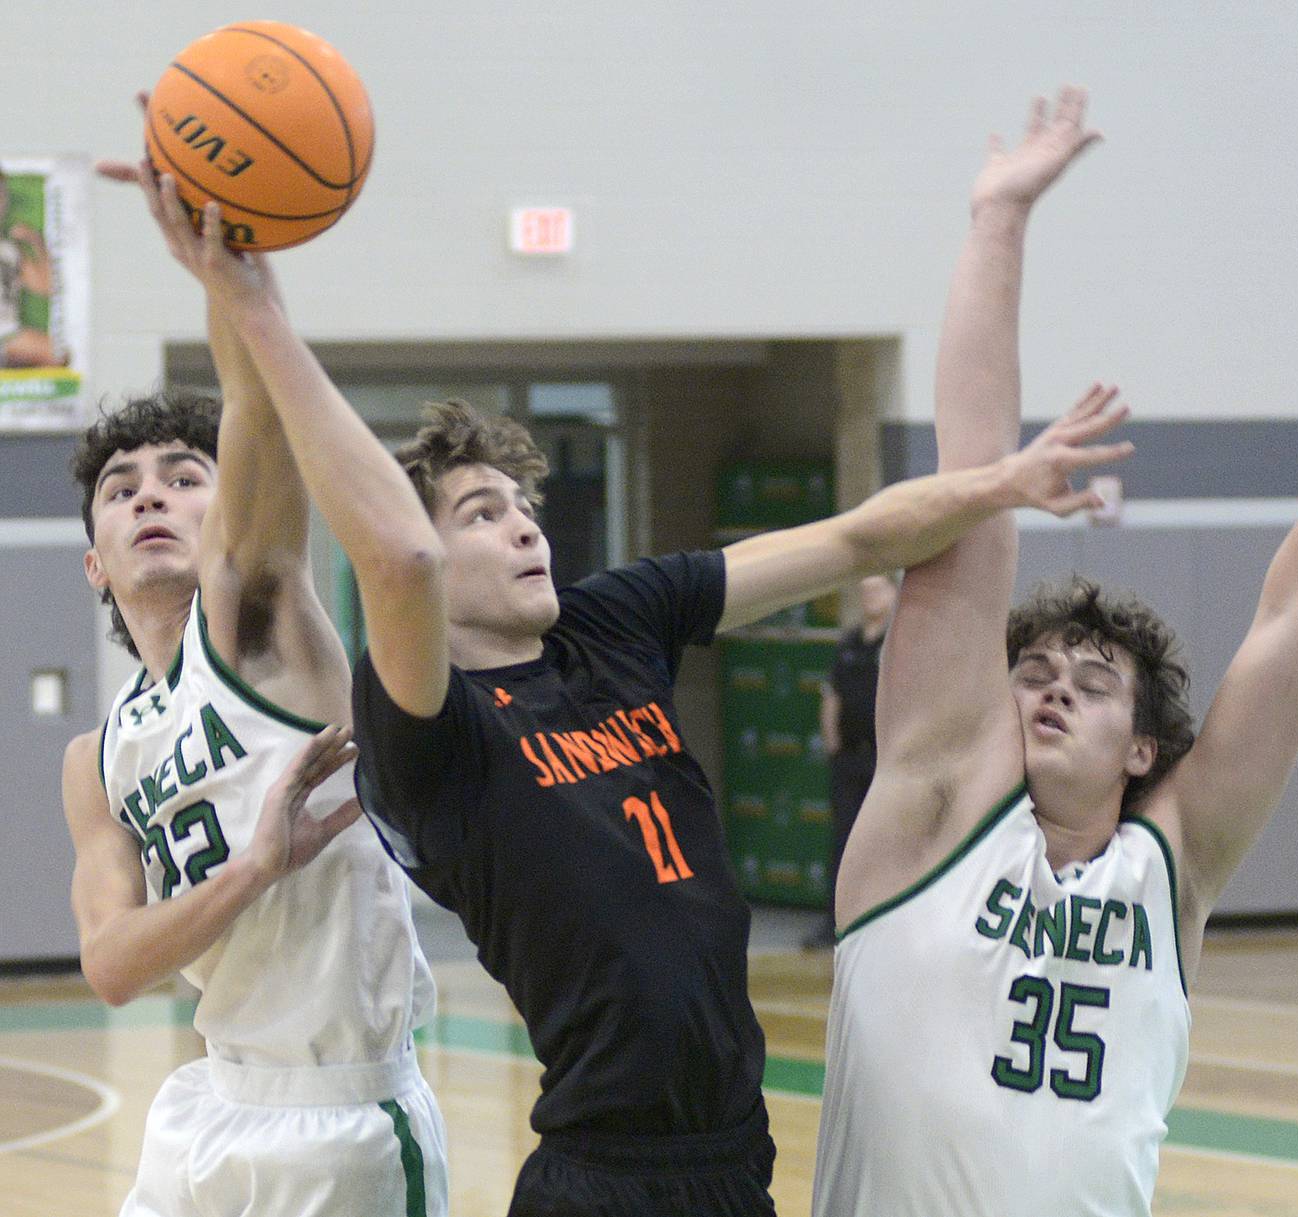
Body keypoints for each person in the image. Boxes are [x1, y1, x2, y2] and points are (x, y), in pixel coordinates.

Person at [134, 158, 1136, 1217]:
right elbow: (398, 561)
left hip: (734, 1155)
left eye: (524, 504)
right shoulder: (429, 730)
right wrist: (255, 306)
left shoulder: (611, 621)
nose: (524, 523)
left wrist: (1005, 482)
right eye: (481, 511)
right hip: (604, 1173)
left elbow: (854, 537)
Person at [813, 86, 1298, 1217]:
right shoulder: (935, 805)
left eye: (1092, 685)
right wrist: (998, 219)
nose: (1051, 688)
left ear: (1144, 748)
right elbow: (971, 481)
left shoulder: (1172, 866)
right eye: (1035, 672)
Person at [62, 168, 446, 1214]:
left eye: (185, 478)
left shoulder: (254, 621)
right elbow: (111, 964)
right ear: (94, 560)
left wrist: (221, 266)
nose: (150, 491)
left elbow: (253, 410)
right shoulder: (95, 758)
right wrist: (253, 868)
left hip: (342, 1112)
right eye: (120, 485)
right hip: (204, 1102)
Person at [806, 573, 898, 949]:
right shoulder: (849, 644)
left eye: (876, 590)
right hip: (849, 759)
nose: (869, 597)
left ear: (894, 593)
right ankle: (835, 922)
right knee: (843, 840)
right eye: (864, 590)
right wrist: (833, 744)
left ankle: (884, 923)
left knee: (886, 843)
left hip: (886, 761)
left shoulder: (898, 642)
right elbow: (832, 695)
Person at [0, 167, 63, 368]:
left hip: (8, 334)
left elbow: (46, 287)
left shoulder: (11, 249)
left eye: (2, 195)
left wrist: (36, 242)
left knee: (58, 354)